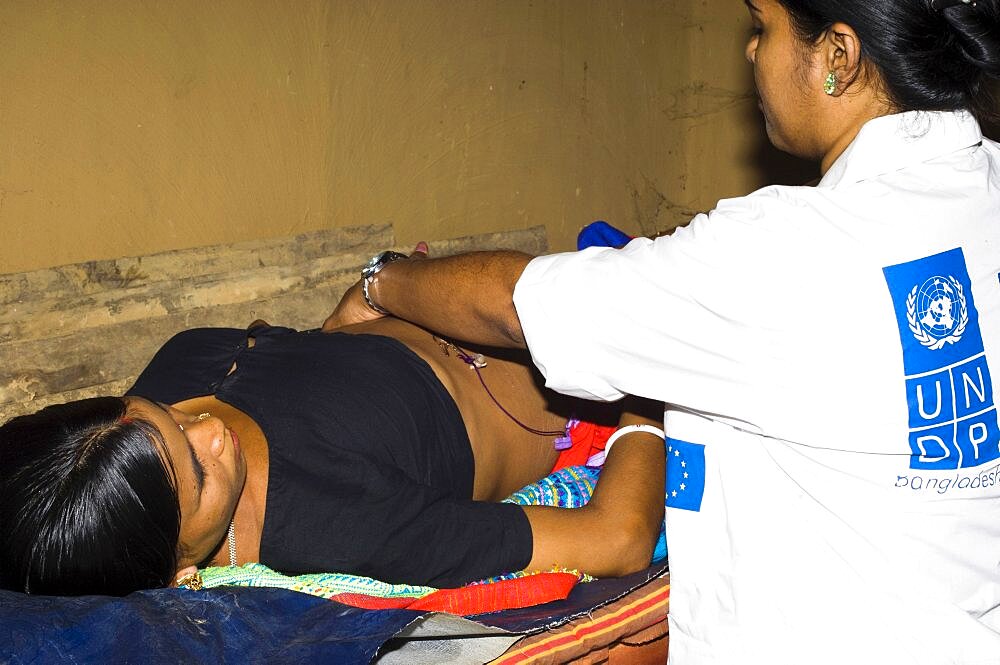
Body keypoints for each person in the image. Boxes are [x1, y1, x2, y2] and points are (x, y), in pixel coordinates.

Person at [321, 0, 1000, 662]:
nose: (751, 50)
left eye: (763, 26)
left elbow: (516, 302)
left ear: (838, 57)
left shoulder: (785, 252)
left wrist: (382, 282)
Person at [0, 315, 665, 597]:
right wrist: (648, 387)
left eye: (167, 415)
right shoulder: (342, 529)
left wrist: (362, 314)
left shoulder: (176, 370)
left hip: (449, 308)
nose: (206, 426)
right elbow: (620, 537)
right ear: (181, 573)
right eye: (198, 474)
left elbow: (316, 374)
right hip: (576, 387)